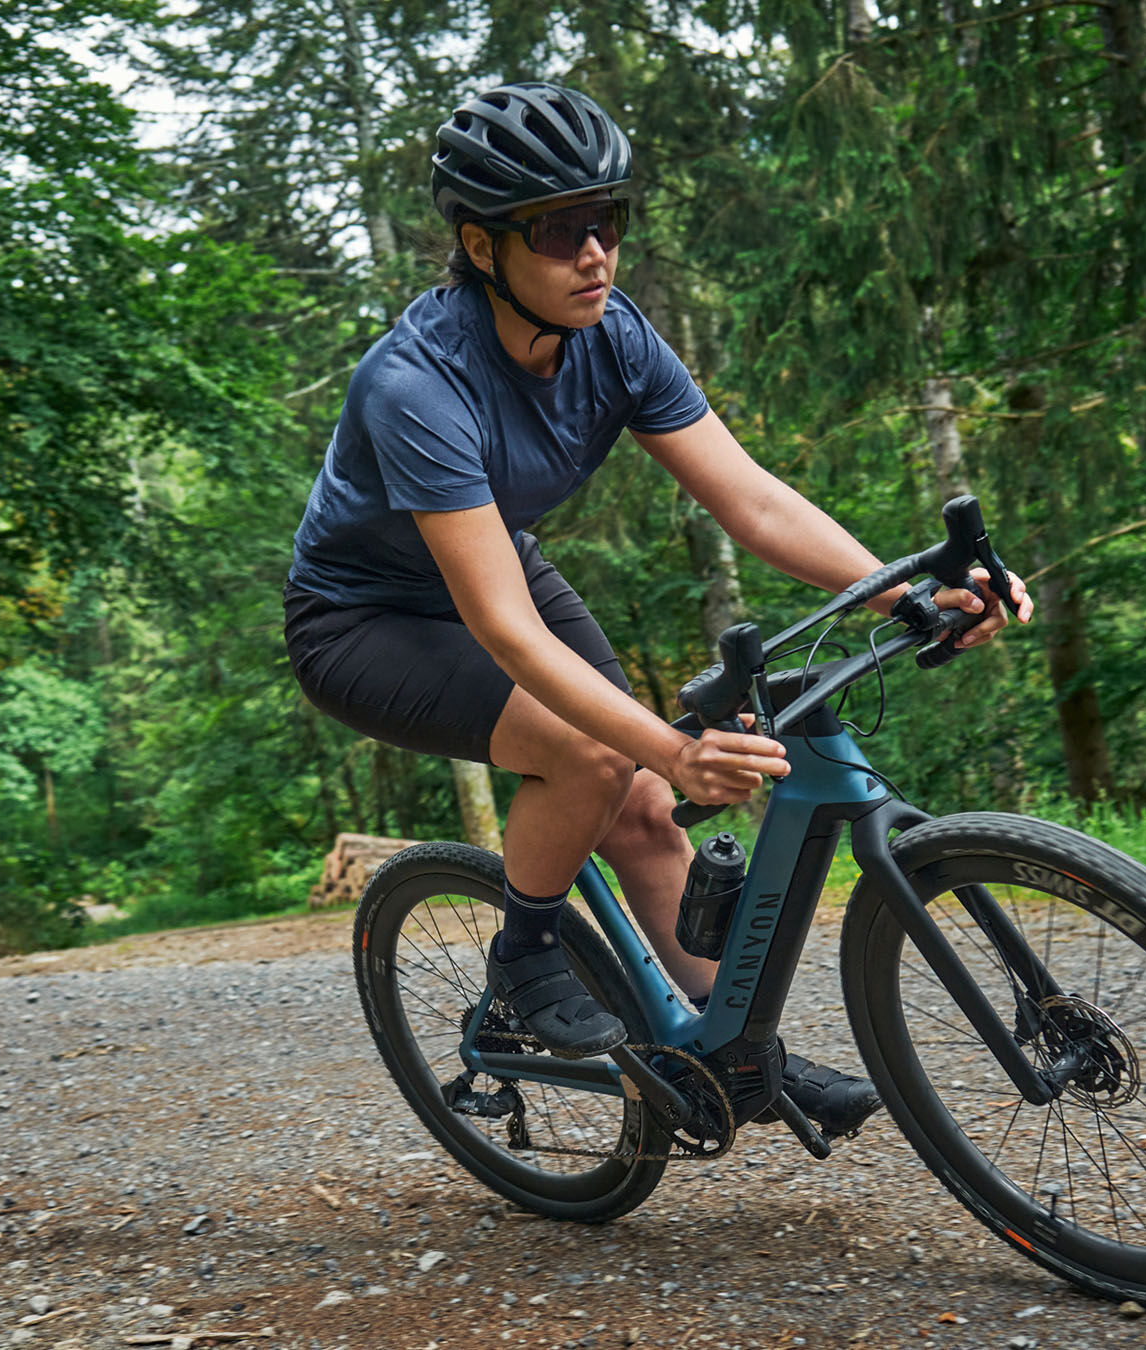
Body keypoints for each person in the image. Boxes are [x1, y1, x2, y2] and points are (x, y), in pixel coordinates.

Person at [283, 82, 1031, 1135]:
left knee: (634, 804)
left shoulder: (614, 337)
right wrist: (672, 753)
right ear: (482, 246)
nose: (596, 253)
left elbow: (753, 500)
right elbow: (502, 628)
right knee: (598, 757)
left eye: (609, 221)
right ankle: (523, 963)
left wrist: (906, 592)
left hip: (499, 566)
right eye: (560, 230)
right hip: (363, 619)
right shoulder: (417, 384)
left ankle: (732, 1054)